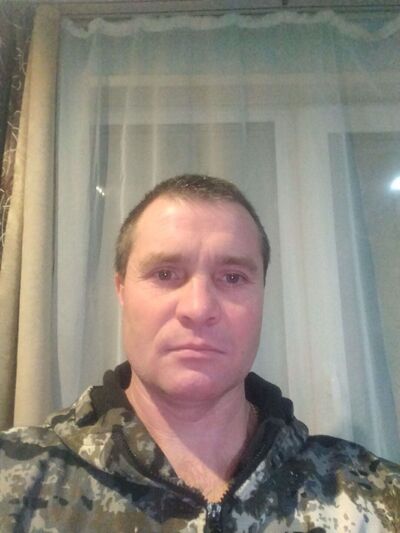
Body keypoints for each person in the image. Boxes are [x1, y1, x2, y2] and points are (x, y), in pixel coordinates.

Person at [0, 174, 398, 532]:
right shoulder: (13, 481)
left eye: (232, 277)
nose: (198, 307)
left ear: (262, 295)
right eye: (165, 274)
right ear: (121, 290)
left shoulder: (375, 497)